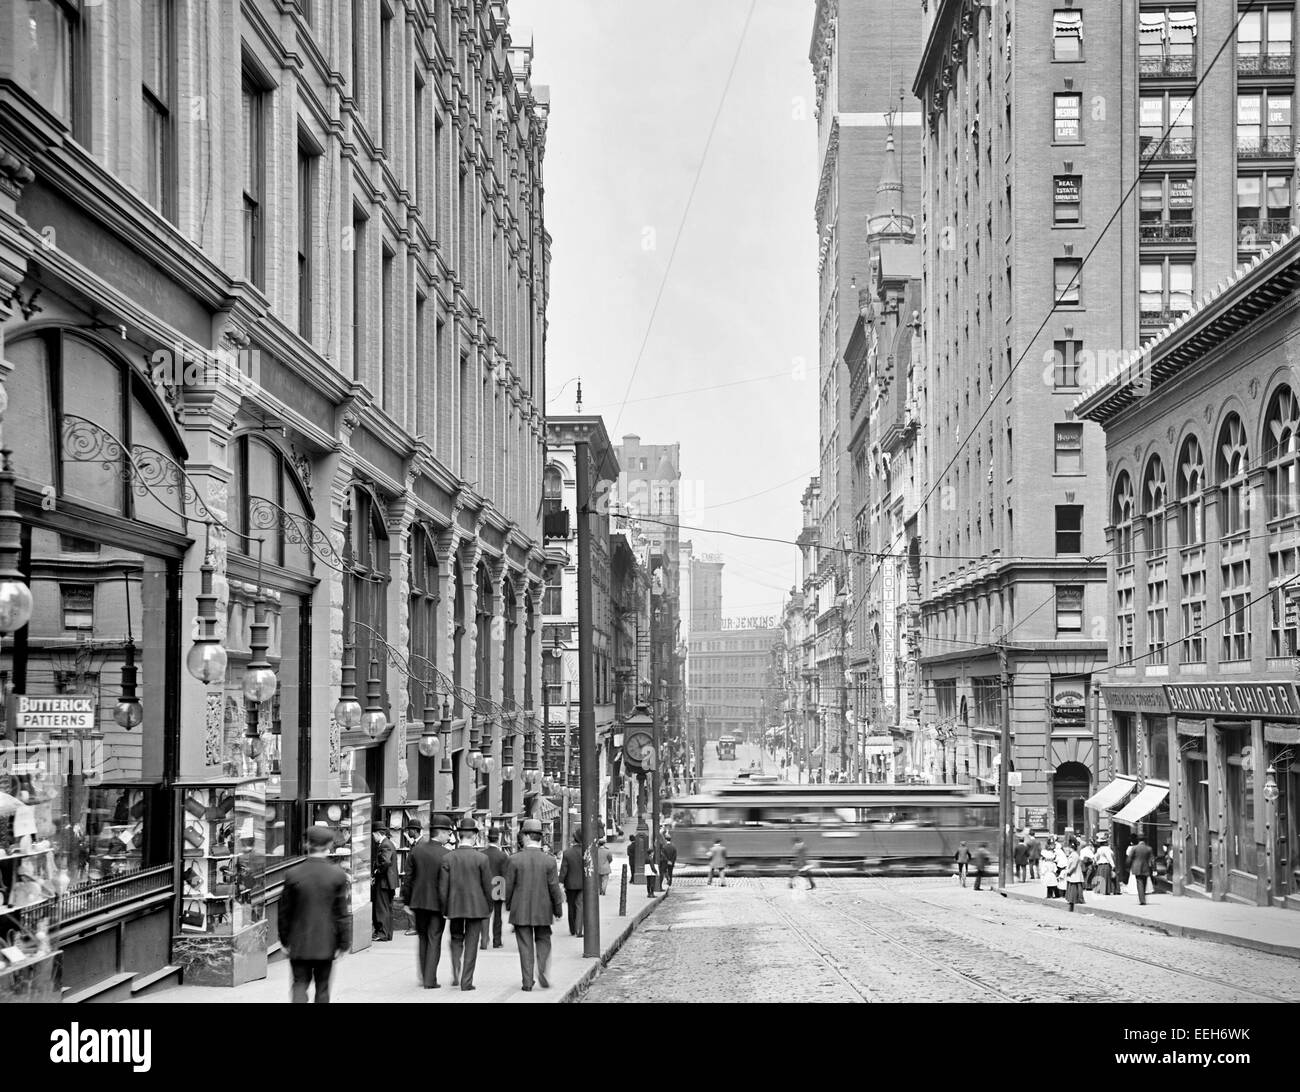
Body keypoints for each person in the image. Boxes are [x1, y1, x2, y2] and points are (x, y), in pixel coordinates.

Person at [277, 825, 350, 1003]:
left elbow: (284, 912)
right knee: (323, 988)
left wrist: (285, 941)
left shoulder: (293, 874)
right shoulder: (337, 875)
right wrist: (344, 943)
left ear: (306, 844)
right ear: (329, 845)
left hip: (299, 942)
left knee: (299, 984)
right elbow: (341, 913)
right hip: (326, 943)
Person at [505, 818, 564, 991]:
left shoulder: (514, 859)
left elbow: (508, 887)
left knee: (525, 945)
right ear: (540, 838)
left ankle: (527, 981)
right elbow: (554, 888)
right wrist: (558, 910)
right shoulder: (549, 861)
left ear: (525, 837)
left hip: (520, 909)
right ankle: (543, 969)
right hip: (543, 910)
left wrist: (509, 906)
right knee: (544, 940)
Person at [438, 816, 494, 991]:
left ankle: (456, 969)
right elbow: (487, 886)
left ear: (459, 835)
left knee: (456, 938)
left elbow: (442, 888)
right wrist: (489, 907)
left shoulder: (448, 858)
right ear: (475, 836)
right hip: (476, 908)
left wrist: (444, 908)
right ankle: (466, 981)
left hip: (454, 907)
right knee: (471, 943)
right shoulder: (482, 859)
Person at [402, 812, 454, 988]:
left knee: (423, 938)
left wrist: (406, 902)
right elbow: (448, 884)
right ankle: (430, 980)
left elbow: (408, 878)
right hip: (437, 904)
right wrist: (447, 906)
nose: (449, 836)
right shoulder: (446, 855)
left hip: (418, 902)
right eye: (448, 833)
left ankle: (424, 975)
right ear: (440, 832)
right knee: (435, 939)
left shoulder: (416, 850)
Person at [479, 828, 509, 950]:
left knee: (485, 915)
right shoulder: (503, 856)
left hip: (483, 888)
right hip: (498, 887)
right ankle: (497, 941)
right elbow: (506, 874)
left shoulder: (481, 854)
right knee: (497, 916)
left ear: (487, 838)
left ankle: (484, 940)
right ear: (498, 838)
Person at [371, 822, 398, 942]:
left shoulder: (385, 845)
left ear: (377, 833)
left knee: (381, 908)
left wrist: (377, 871)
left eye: (373, 835)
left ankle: (382, 933)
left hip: (384, 882)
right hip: (388, 882)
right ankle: (387, 933)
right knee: (387, 908)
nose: (373, 837)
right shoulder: (388, 843)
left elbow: (386, 862)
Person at [558, 830, 586, 936]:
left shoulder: (568, 853)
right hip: (583, 883)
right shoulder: (587, 851)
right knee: (580, 906)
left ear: (574, 839)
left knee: (571, 906)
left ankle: (573, 929)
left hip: (570, 884)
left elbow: (564, 869)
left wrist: (560, 882)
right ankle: (579, 929)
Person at [402, 822, 424, 935]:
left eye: (409, 830)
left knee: (412, 902)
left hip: (415, 879)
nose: (407, 832)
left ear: (414, 831)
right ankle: (414, 926)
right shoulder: (418, 842)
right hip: (414, 878)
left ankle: (414, 927)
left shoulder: (421, 844)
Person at [1127, 835, 1154, 906]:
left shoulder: (1134, 848)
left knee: (1139, 882)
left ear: (1138, 840)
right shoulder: (1148, 848)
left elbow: (1129, 858)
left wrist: (1128, 866)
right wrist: (1154, 869)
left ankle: (1142, 899)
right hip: (1145, 867)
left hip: (1136, 867)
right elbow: (1152, 859)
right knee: (1144, 882)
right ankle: (1143, 898)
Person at [1063, 837, 1086, 911]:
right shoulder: (1072, 855)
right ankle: (1072, 900)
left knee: (1074, 887)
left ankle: (1076, 899)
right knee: (1071, 886)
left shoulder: (1075, 855)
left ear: (1071, 848)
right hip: (1072, 874)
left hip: (1075, 874)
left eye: (1069, 848)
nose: (1068, 850)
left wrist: (1068, 871)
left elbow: (1073, 865)